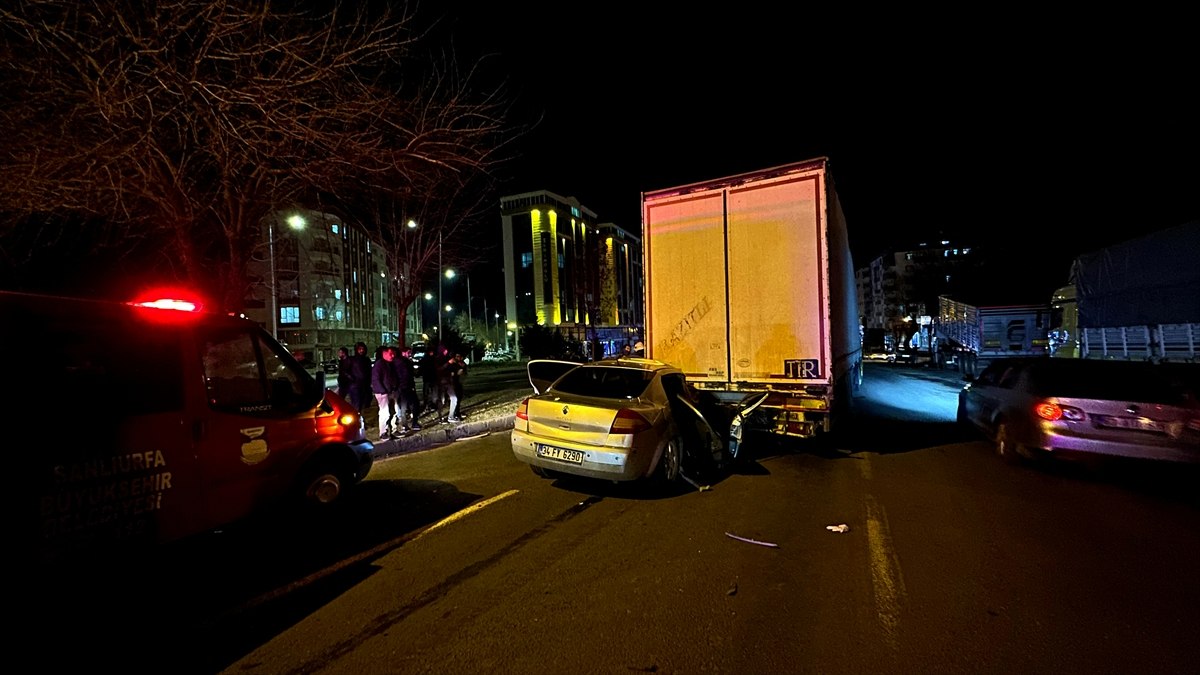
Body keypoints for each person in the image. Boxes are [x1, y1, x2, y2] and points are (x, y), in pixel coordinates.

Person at [371, 346, 401, 439]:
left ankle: (393, 430)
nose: (393, 356)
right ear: (384, 353)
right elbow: (376, 379)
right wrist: (383, 391)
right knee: (385, 413)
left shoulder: (390, 364)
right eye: (390, 354)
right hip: (383, 392)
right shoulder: (379, 365)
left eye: (393, 354)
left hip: (391, 391)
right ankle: (383, 432)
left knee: (394, 411)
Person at [395, 346, 421, 432]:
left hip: (404, 386)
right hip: (405, 386)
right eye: (408, 352)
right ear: (403, 352)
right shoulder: (402, 362)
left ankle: (406, 425)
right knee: (408, 405)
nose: (410, 354)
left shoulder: (401, 361)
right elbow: (406, 375)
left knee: (405, 406)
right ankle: (410, 424)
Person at [346, 341, 373, 411]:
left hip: (365, 386)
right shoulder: (351, 359)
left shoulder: (367, 360)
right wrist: (353, 379)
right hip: (355, 386)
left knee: (365, 404)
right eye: (360, 349)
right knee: (357, 404)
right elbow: (345, 371)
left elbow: (369, 371)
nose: (361, 351)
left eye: (363, 349)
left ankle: (361, 418)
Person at [444, 352, 467, 423]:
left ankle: (457, 413)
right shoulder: (451, 365)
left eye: (459, 357)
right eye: (457, 357)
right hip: (452, 384)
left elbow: (464, 372)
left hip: (458, 383)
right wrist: (456, 374)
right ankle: (453, 414)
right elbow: (451, 374)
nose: (458, 358)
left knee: (458, 398)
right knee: (454, 398)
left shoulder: (461, 364)